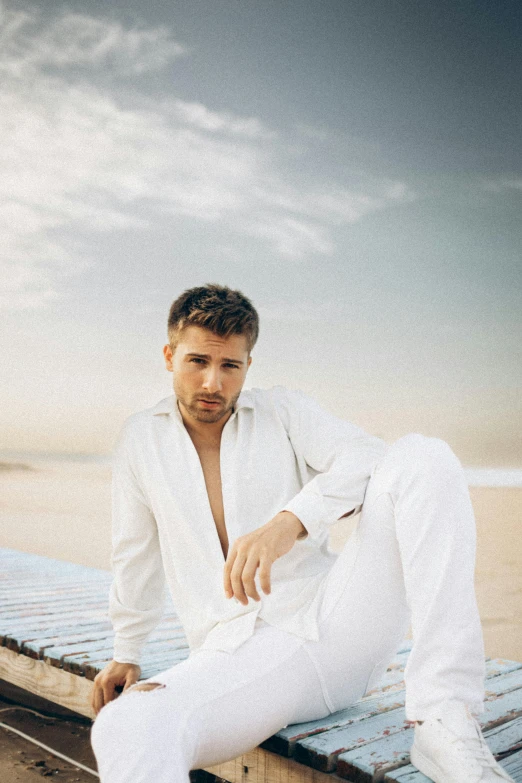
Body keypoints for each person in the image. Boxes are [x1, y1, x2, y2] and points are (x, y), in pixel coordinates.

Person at [90, 284, 513, 783]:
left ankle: (445, 715)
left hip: (341, 622)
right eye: (197, 361)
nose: (212, 382)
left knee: (424, 455)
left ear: (249, 364)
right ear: (169, 356)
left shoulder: (282, 412)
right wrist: (127, 652)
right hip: (239, 656)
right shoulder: (141, 438)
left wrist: (289, 523)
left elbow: (369, 457)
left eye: (230, 366)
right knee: (129, 723)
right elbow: (135, 553)